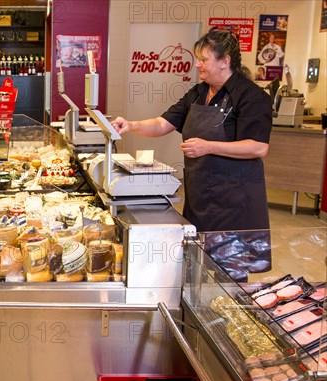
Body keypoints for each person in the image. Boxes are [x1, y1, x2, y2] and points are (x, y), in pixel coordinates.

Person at [111, 29, 272, 233]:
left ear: (224, 61)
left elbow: (258, 147)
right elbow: (162, 124)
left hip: (234, 201)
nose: (197, 65)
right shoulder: (198, 92)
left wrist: (208, 147)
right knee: (198, 257)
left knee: (228, 260)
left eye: (203, 59)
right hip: (200, 194)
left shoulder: (251, 96)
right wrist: (131, 125)